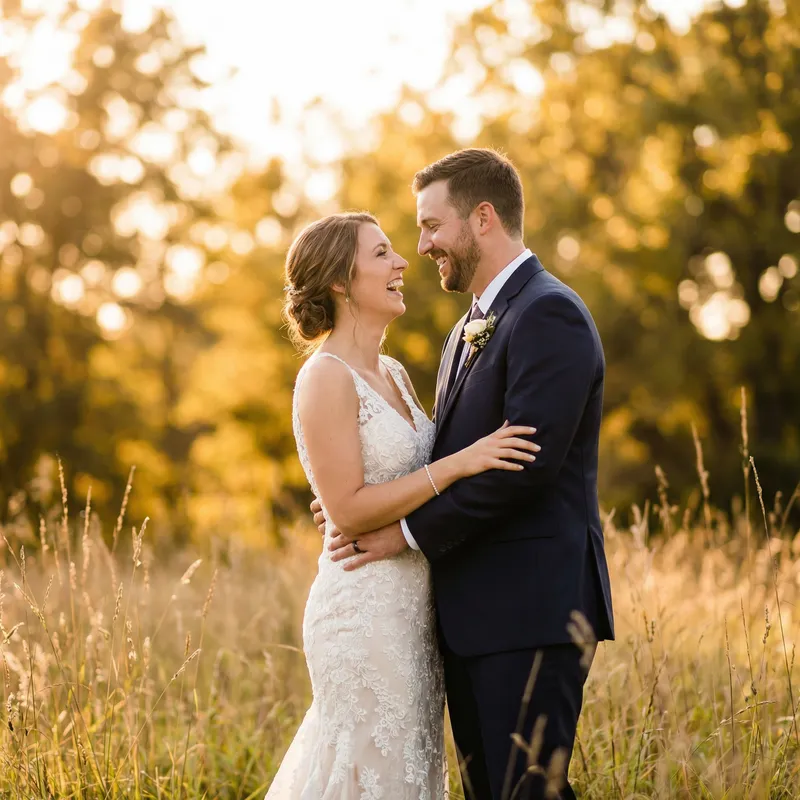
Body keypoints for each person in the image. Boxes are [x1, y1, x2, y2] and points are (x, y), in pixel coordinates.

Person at [322, 149, 615, 800]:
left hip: (532, 610)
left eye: (431, 225)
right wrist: (356, 497)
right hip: (472, 618)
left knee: (529, 792)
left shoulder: (549, 313)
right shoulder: (466, 331)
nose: (421, 246)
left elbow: (523, 470)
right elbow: (439, 460)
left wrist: (403, 532)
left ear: (483, 218)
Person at [265, 210, 540, 799]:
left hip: (415, 614)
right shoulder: (325, 377)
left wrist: (360, 504)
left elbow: (383, 487)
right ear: (340, 280)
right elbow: (350, 510)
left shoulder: (390, 371)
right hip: (362, 612)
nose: (401, 264)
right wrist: (459, 462)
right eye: (382, 254)